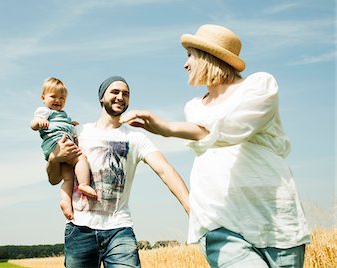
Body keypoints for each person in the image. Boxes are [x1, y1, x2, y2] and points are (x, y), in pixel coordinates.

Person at [120, 24, 311, 268]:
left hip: (276, 219)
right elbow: (207, 135)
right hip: (219, 221)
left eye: (190, 55)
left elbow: (231, 128)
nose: (185, 64)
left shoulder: (260, 85)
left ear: (210, 56)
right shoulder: (194, 107)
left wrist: (166, 128)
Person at [46, 76, 191, 268]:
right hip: (80, 230)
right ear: (101, 97)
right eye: (114, 92)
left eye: (126, 94)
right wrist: (54, 158)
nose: (120, 97)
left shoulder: (136, 138)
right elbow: (54, 178)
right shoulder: (79, 132)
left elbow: (165, 170)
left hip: (119, 230)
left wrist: (191, 207)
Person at [31, 77, 97, 220]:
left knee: (68, 177)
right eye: (53, 96)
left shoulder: (63, 115)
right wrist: (38, 122)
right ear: (43, 98)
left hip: (56, 148)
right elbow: (33, 124)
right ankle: (84, 184)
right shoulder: (44, 111)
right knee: (81, 158)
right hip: (56, 144)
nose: (58, 100)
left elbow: (63, 126)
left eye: (62, 98)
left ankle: (65, 202)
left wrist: (71, 124)